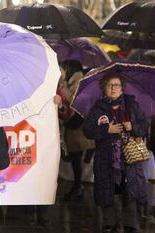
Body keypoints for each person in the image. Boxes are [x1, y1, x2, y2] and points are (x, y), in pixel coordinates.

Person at [83, 72, 149, 233]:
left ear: (122, 88)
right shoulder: (97, 108)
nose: (113, 88)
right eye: (109, 85)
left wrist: (131, 126)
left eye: (116, 85)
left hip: (129, 158)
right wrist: (107, 129)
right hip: (105, 158)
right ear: (104, 88)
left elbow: (144, 126)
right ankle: (110, 224)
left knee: (130, 192)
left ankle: (130, 224)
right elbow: (87, 130)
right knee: (107, 192)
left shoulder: (131, 104)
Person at [59, 60, 95, 200]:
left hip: (78, 124)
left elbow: (74, 101)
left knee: (75, 156)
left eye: (62, 68)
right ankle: (77, 186)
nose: (60, 71)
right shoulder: (71, 81)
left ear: (69, 69)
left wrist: (62, 87)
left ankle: (78, 187)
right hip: (72, 122)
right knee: (74, 156)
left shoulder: (78, 81)